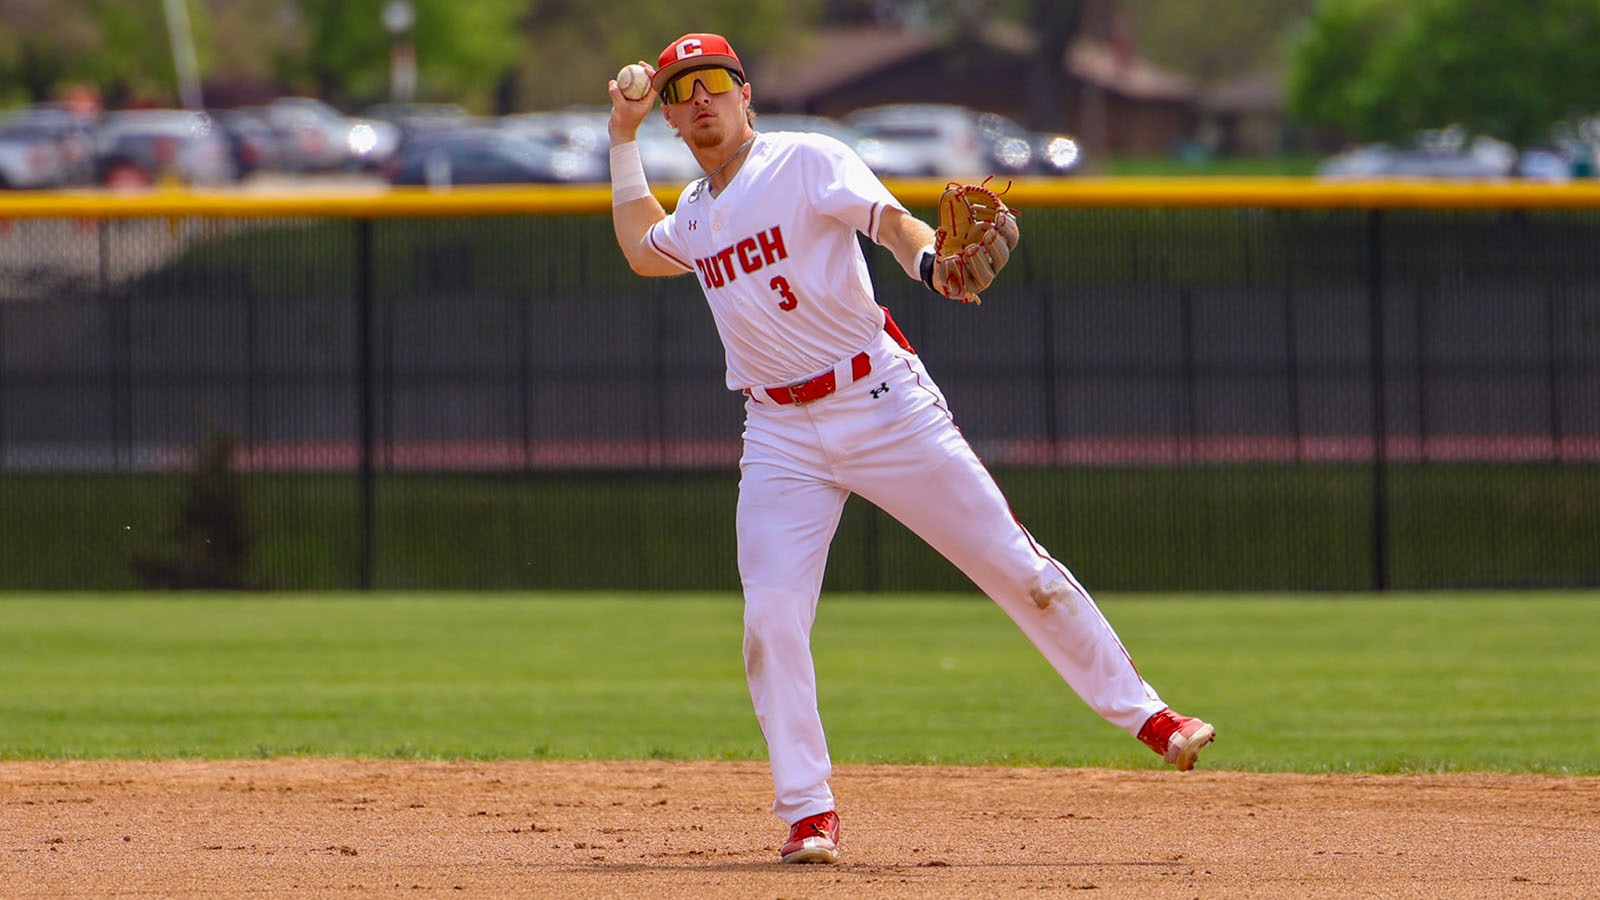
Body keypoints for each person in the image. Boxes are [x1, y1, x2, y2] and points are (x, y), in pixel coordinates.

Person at [606, 32, 1215, 865]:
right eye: (681, 91)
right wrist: (621, 134)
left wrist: (930, 259)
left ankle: (1149, 715)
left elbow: (890, 223)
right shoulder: (697, 216)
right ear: (672, 118)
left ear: (745, 94)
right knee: (769, 621)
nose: (699, 99)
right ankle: (809, 812)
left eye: (713, 81)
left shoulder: (806, 160)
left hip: (881, 402)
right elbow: (641, 248)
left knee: (1015, 564)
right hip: (779, 433)